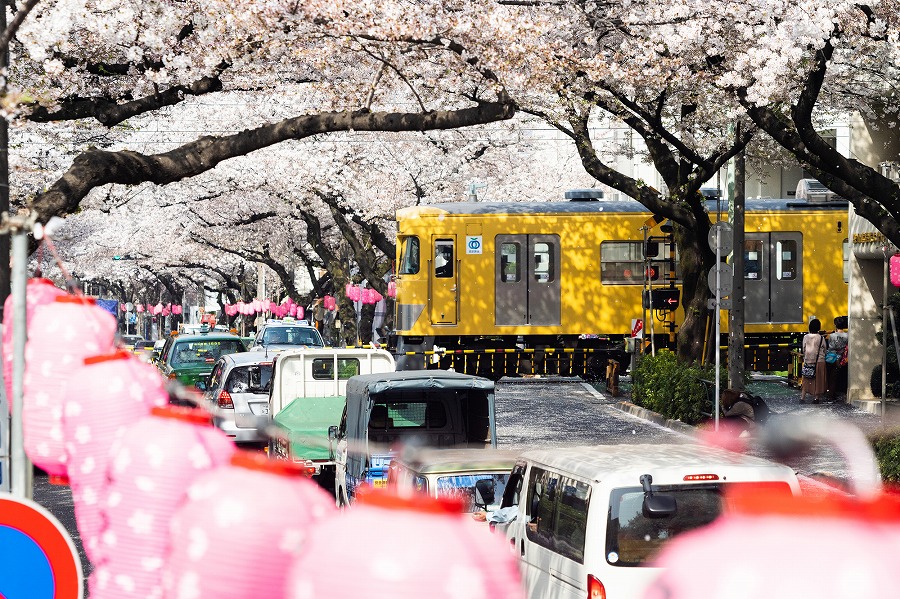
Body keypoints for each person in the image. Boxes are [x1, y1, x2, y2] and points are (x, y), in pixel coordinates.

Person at [800, 318, 827, 404]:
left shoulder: (806, 337)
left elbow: (804, 349)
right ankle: (816, 398)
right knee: (818, 379)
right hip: (819, 361)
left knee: (806, 379)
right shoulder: (821, 338)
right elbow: (825, 349)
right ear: (818, 327)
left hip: (808, 360)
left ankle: (802, 397)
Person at [826, 315, 849, 401]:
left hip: (833, 358)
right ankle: (841, 392)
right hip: (843, 357)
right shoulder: (847, 336)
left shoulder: (832, 336)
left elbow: (831, 346)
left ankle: (831, 394)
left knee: (831, 377)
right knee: (841, 376)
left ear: (836, 325)